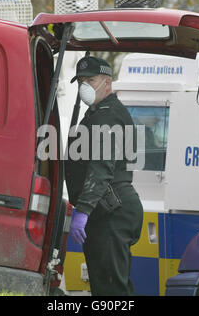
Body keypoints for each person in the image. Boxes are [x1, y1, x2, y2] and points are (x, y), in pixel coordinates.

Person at [66, 56, 143, 296]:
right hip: (109, 209)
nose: (84, 86)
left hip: (112, 210)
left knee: (111, 290)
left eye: (90, 79)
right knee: (107, 286)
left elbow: (101, 169)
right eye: (80, 81)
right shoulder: (97, 113)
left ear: (107, 83)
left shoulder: (107, 116)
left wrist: (84, 211)